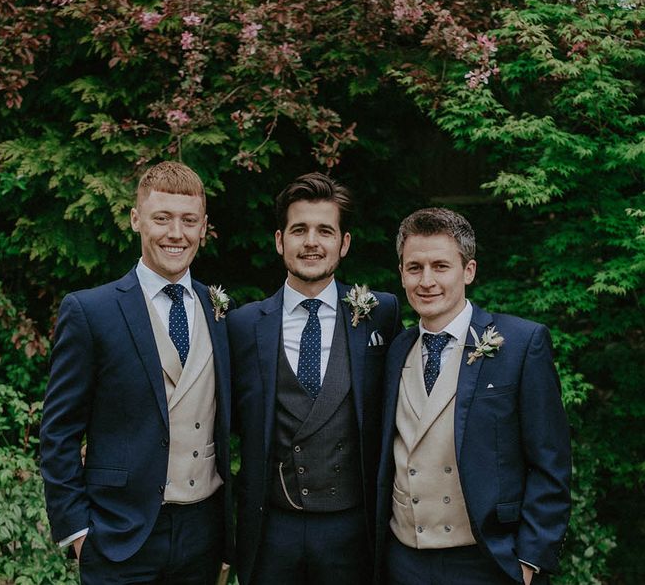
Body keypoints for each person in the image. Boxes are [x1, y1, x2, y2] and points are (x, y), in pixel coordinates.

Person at [40, 161, 232, 584]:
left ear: (203, 227)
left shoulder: (219, 309)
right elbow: (59, 432)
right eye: (161, 218)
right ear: (135, 219)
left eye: (188, 221)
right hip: (119, 533)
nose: (176, 233)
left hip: (204, 532)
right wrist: (78, 532)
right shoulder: (91, 311)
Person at [375, 207, 571, 585]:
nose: (426, 280)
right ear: (401, 273)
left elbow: (551, 461)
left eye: (440, 266)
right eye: (414, 268)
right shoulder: (395, 350)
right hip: (403, 560)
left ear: (469, 270)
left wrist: (531, 558)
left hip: (487, 561)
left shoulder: (520, 344)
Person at [228, 172, 402, 585]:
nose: (311, 242)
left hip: (352, 530)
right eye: (299, 229)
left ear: (343, 243)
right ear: (279, 240)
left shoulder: (382, 313)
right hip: (271, 529)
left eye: (325, 230)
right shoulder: (242, 324)